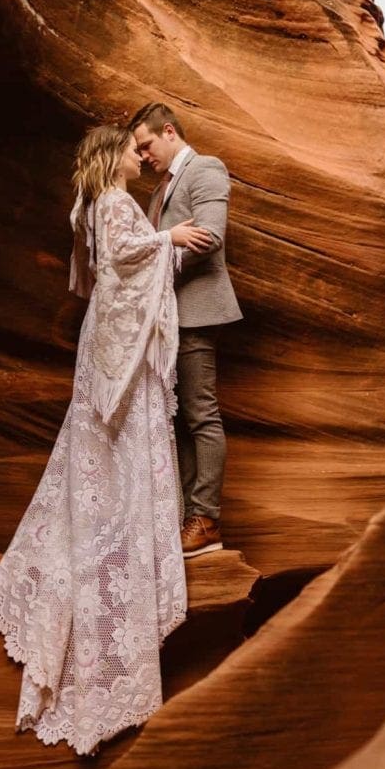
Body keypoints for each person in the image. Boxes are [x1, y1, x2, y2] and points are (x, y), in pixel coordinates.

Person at [0, 124, 211, 756]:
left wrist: (156, 239)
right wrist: (166, 236)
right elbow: (122, 263)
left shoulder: (88, 204)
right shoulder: (112, 200)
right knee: (115, 443)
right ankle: (119, 529)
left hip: (106, 341)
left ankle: (104, 520)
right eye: (132, 150)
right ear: (112, 157)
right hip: (122, 352)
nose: (141, 158)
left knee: (92, 448)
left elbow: (94, 279)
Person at [128, 103, 243, 559]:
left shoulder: (205, 169)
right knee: (177, 419)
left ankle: (206, 519)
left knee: (201, 414)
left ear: (169, 131)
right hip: (167, 317)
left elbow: (210, 235)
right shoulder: (160, 190)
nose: (142, 156)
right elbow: (169, 240)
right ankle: (186, 516)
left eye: (146, 145)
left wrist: (158, 249)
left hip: (197, 312)